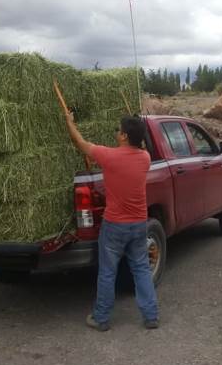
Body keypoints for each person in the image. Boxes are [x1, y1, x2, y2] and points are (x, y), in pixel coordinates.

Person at [53, 82, 159, 331]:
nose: (116, 132)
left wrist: (69, 122)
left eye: (118, 130)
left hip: (115, 225)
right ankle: (151, 316)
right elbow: (141, 146)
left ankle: (101, 318)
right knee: (141, 269)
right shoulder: (144, 158)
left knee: (108, 272)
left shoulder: (109, 156)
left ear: (123, 136)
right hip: (138, 224)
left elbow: (81, 144)